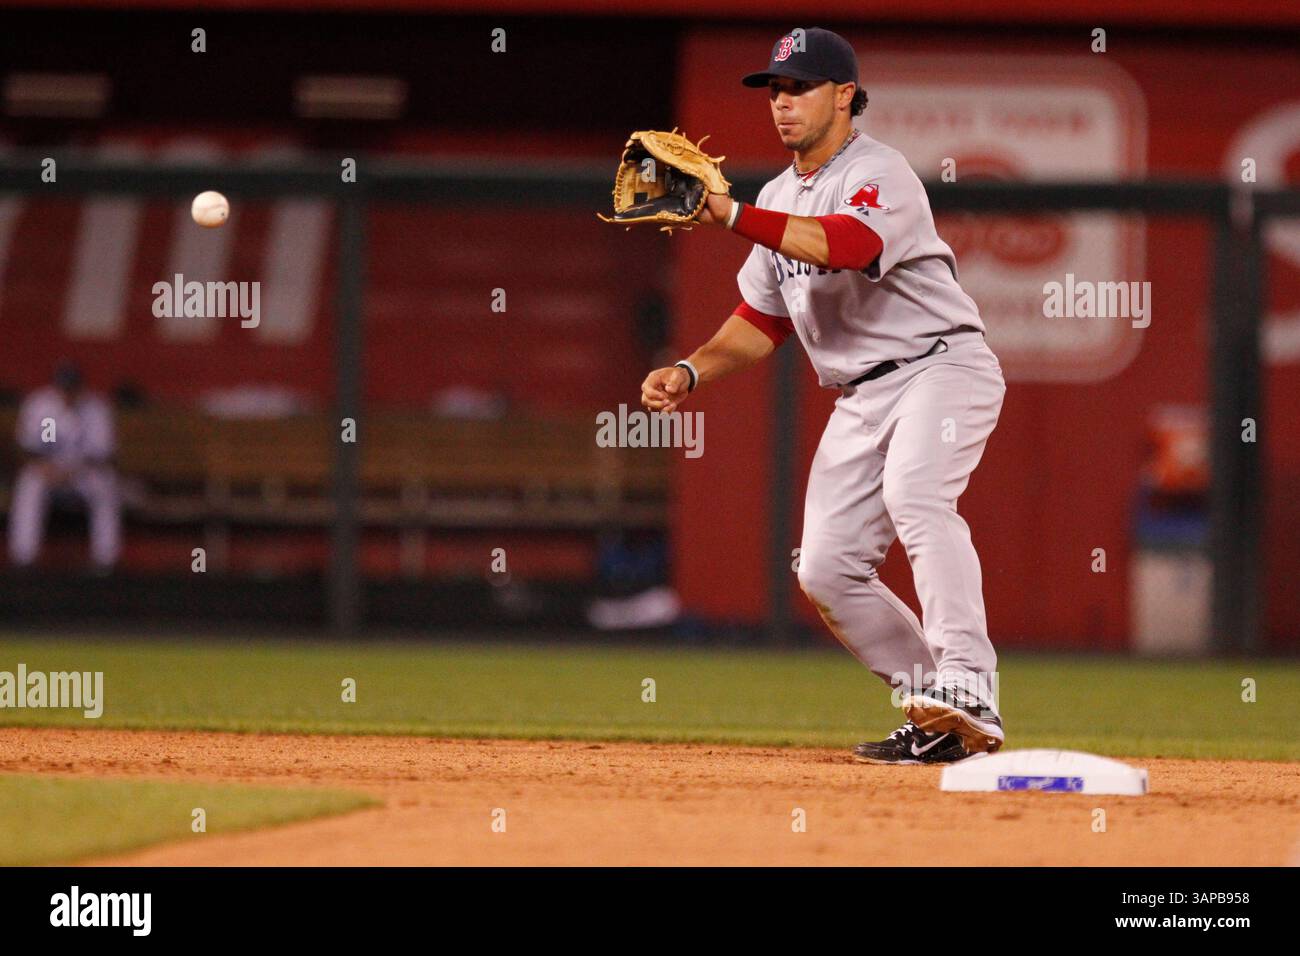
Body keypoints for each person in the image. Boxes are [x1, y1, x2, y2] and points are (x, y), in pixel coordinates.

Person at [639, 27, 1007, 764]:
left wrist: (731, 215)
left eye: (800, 87)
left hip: (940, 368)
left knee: (918, 497)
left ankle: (970, 681)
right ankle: (942, 713)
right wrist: (690, 370)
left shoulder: (881, 172)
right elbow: (761, 320)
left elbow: (846, 245)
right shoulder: (779, 195)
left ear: (845, 95)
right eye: (775, 90)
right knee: (825, 568)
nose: (783, 103)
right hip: (861, 397)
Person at [8, 361, 121, 571]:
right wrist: (46, 467)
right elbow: (29, 447)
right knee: (29, 483)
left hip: (83, 472)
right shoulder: (41, 405)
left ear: (81, 387)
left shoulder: (96, 407)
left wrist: (71, 471)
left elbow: (102, 454)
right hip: (49, 470)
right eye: (63, 388)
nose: (67, 393)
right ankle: (24, 557)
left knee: (105, 485)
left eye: (72, 388)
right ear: (55, 386)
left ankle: (105, 559)